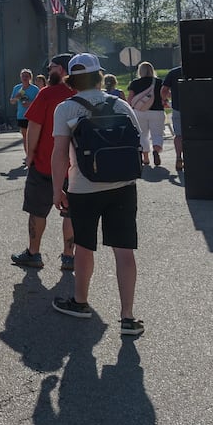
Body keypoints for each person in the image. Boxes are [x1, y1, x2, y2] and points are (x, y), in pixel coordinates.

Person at [51, 54, 145, 336]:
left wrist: (58, 188)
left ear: (71, 79)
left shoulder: (66, 109)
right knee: (124, 250)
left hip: (84, 187)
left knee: (84, 247)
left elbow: (59, 154)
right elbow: (136, 143)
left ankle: (80, 302)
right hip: (123, 186)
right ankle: (127, 317)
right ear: (99, 75)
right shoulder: (120, 104)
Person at [11, 54, 78, 272]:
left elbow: (34, 126)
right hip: (74, 167)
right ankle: (69, 256)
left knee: (37, 211)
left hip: (45, 164)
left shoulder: (47, 93)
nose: (49, 72)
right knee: (71, 213)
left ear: (63, 69)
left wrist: (30, 154)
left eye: (52, 68)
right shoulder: (80, 94)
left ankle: (33, 252)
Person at [126, 61, 165, 168]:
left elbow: (130, 99)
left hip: (139, 112)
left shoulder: (135, 83)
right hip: (157, 111)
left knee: (142, 134)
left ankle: (146, 158)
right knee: (157, 134)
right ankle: (156, 150)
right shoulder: (159, 82)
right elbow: (164, 95)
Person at [8, 68, 39, 149]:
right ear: (20, 77)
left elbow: (39, 103)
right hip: (22, 116)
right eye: (23, 76)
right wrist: (16, 97)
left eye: (26, 76)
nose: (25, 78)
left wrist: (30, 104)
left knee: (33, 136)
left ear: (30, 77)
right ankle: (28, 156)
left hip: (33, 116)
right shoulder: (17, 88)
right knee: (25, 137)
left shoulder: (35, 89)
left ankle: (34, 155)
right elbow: (12, 102)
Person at [161, 65, 184, 172]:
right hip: (196, 108)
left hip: (178, 107)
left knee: (178, 134)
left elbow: (164, 90)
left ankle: (179, 157)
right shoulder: (200, 71)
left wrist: (165, 100)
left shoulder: (174, 72)